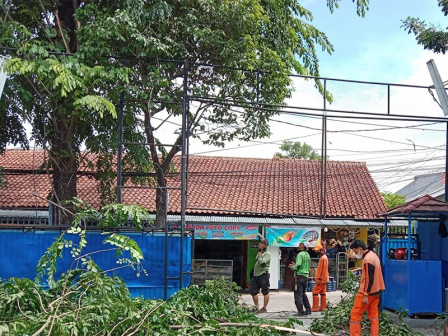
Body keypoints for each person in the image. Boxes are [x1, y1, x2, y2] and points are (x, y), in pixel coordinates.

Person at [349, 239, 385, 336]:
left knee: (355, 315)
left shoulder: (368, 260)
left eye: (356, 251)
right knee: (374, 317)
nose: (356, 254)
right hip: (376, 292)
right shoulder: (374, 256)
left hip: (366, 293)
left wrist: (365, 294)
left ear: (360, 249)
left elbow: (369, 279)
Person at [289, 241, 311, 316]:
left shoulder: (300, 254)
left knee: (298, 294)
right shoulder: (307, 255)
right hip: (305, 276)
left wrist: (293, 267)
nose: (298, 245)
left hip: (299, 276)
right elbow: (303, 265)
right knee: (303, 294)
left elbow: (298, 266)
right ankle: (308, 309)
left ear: (303, 246)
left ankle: (300, 311)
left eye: (300, 244)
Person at [250, 237, 271, 313]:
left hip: (263, 274)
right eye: (260, 243)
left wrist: (259, 256)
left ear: (265, 245)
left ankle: (264, 308)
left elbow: (262, 263)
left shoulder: (267, 253)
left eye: (261, 243)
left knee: (265, 291)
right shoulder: (259, 252)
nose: (259, 244)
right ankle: (257, 307)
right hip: (256, 275)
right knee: (253, 292)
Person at [311, 244, 329, 312]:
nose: (316, 252)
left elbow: (323, 270)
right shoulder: (324, 257)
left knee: (315, 292)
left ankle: (315, 308)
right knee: (322, 293)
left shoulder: (323, 258)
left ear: (321, 250)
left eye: (317, 250)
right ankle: (323, 307)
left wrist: (319, 279)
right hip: (324, 278)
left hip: (321, 279)